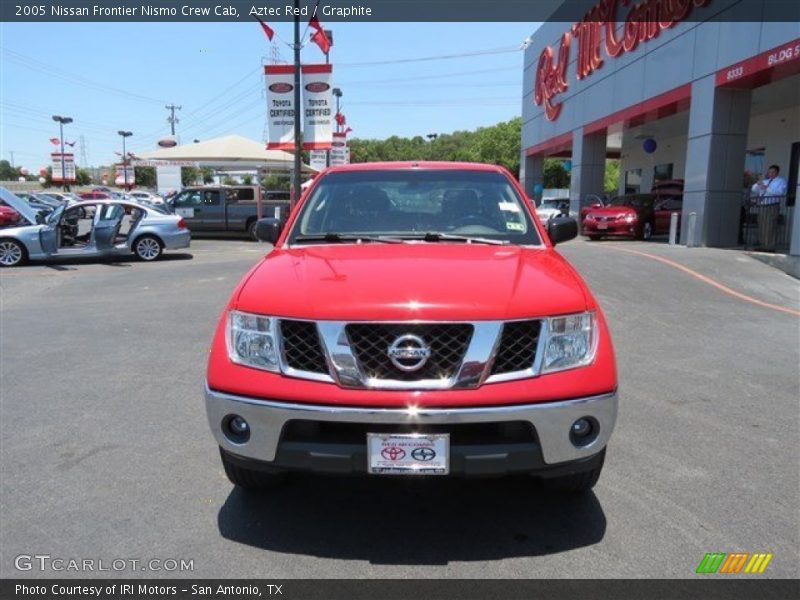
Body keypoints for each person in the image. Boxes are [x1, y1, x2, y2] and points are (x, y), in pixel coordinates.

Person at [750, 164, 788, 251]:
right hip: (762, 205)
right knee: (762, 225)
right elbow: (754, 189)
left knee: (770, 226)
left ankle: (770, 246)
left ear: (777, 172)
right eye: (769, 172)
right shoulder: (766, 181)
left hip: (772, 206)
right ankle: (762, 245)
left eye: (773, 172)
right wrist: (758, 183)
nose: (771, 174)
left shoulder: (781, 181)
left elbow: (779, 193)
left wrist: (767, 188)